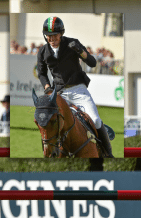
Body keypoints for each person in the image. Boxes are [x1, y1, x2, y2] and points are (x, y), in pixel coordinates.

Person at [37, 16, 114, 157]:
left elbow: (92, 62)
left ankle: (108, 153)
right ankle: (51, 153)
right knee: (49, 121)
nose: (52, 39)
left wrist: (80, 52)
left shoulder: (73, 43)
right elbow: (41, 73)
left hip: (78, 89)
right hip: (58, 93)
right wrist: (48, 87)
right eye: (48, 36)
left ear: (61, 34)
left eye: (54, 36)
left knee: (96, 120)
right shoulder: (43, 51)